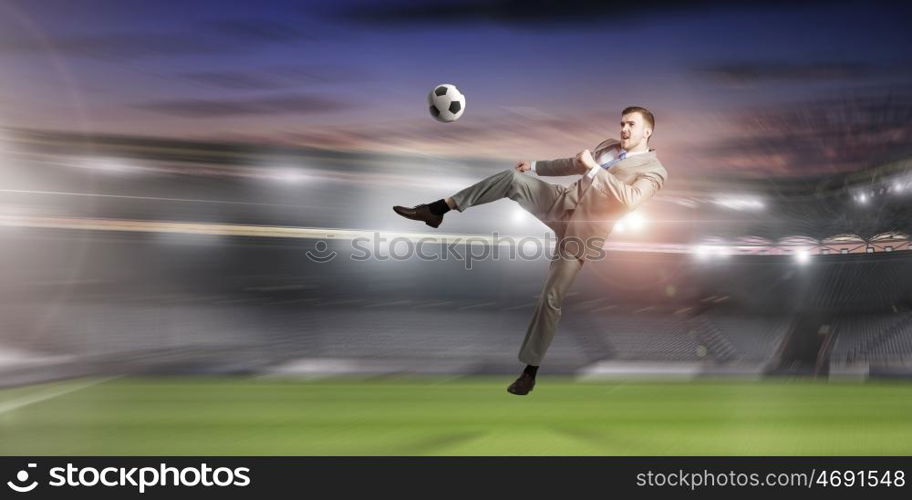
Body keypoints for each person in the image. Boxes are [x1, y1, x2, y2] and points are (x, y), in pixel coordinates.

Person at [393, 106, 668, 395]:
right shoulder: (608, 148)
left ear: (647, 131)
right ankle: (437, 209)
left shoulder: (654, 171)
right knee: (512, 179)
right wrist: (536, 166)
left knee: (551, 298)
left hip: (581, 235)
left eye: (631, 125)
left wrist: (594, 169)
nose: (623, 129)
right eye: (622, 123)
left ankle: (529, 372)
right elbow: (572, 164)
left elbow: (629, 199)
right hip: (559, 202)